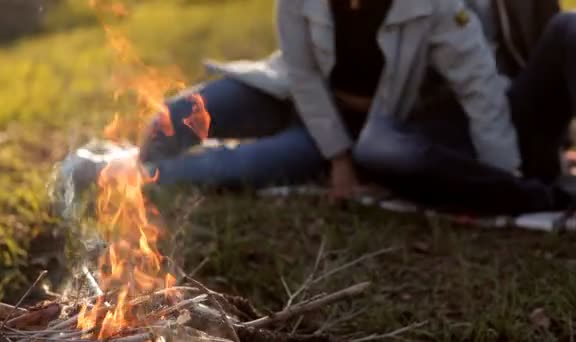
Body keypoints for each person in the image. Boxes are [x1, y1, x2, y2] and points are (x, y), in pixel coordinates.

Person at [141, 0, 563, 215]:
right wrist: (339, 161)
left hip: (348, 130)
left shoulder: (435, 5)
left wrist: (504, 175)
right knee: (167, 120)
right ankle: (135, 164)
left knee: (237, 169)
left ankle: (126, 178)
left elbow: (479, 87)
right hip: (287, 91)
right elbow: (303, 74)